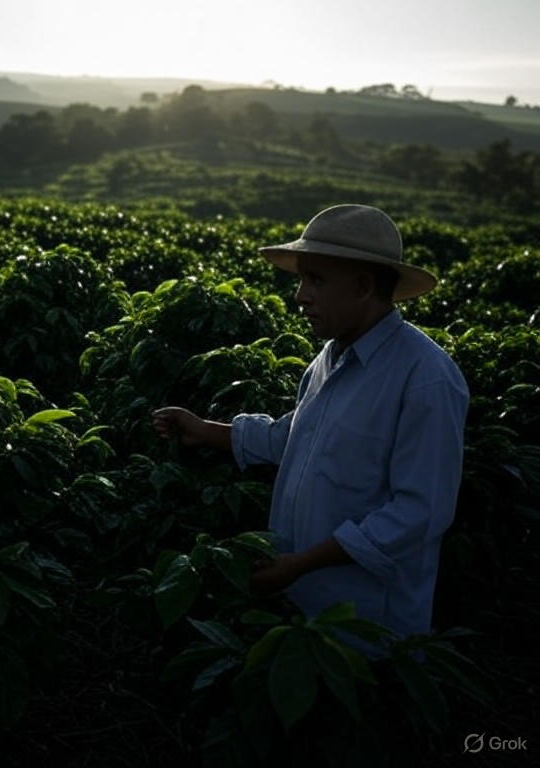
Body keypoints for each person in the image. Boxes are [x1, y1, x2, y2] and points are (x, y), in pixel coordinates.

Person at [151, 204, 468, 653]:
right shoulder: (330, 357)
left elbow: (419, 512)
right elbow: (296, 437)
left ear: (363, 286)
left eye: (315, 279)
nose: (300, 295)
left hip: (369, 628)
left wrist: (303, 563)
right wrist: (205, 430)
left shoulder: (426, 377)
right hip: (305, 606)